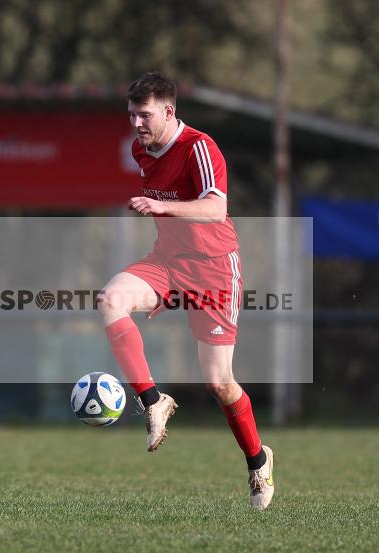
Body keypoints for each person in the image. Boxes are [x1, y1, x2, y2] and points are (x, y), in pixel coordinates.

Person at [98, 72, 274, 509]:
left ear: (169, 111)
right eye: (132, 115)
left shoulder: (200, 147)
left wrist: (163, 206)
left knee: (219, 382)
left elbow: (217, 208)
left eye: (145, 114)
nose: (137, 124)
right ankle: (153, 401)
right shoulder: (142, 149)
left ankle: (257, 460)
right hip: (168, 263)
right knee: (110, 300)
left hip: (214, 270)